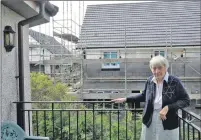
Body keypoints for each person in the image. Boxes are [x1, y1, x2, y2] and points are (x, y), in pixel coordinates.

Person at [111, 55, 190, 140]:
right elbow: (144, 96)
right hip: (150, 119)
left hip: (168, 119)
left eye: (160, 68)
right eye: (154, 68)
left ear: (165, 68)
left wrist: (168, 107)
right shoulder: (150, 81)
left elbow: (186, 100)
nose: (156, 71)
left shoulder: (174, 81)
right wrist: (126, 99)